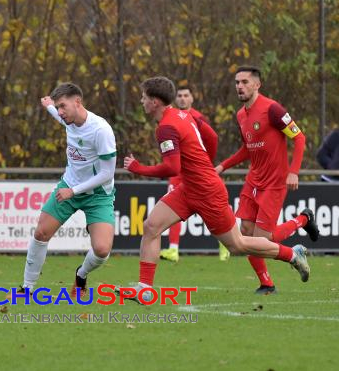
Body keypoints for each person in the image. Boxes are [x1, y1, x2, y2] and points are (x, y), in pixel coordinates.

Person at [120, 76, 310, 303]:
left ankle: (292, 254)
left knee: (237, 245)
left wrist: (137, 168)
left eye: (143, 97)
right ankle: (145, 289)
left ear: (155, 102)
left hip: (208, 192)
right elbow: (211, 136)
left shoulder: (166, 127)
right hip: (189, 188)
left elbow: (172, 167)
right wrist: (204, 164)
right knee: (151, 226)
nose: (141, 101)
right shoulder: (185, 115)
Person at [215, 65, 319, 295]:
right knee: (246, 234)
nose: (239, 86)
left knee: (263, 240)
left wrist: (294, 171)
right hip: (254, 180)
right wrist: (223, 166)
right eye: (237, 82)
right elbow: (247, 149)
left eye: (244, 82)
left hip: (274, 182)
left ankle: (303, 220)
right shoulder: (241, 115)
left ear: (257, 84)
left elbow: (299, 138)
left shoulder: (272, 109)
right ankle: (266, 283)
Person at [17, 82, 117, 298]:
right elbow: (58, 115)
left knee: (101, 250)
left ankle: (81, 274)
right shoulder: (68, 119)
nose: (60, 113)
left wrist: (74, 191)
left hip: (97, 194)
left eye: (63, 106)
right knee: (41, 232)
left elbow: (108, 173)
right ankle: (26, 289)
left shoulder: (101, 130)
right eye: (58, 108)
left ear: (78, 102)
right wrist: (49, 106)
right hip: (69, 186)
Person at [160, 86, 230, 262]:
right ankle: (173, 249)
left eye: (186, 95)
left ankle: (225, 245)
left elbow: (211, 139)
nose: (182, 99)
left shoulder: (197, 117)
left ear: (192, 99)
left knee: (213, 211)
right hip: (178, 172)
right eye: (180, 96)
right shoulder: (171, 117)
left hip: (197, 171)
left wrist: (207, 162)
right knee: (170, 205)